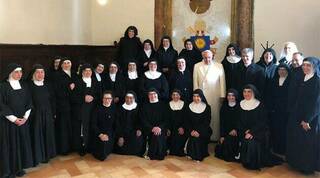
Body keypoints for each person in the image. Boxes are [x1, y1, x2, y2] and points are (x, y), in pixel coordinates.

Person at [286, 57, 320, 174]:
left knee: (308, 144)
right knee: (297, 140)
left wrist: (307, 120)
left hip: (310, 118)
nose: (305, 67)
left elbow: (317, 103)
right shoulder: (301, 78)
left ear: (314, 67)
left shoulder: (317, 81)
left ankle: (306, 167)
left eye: (308, 65)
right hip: (297, 116)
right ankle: (296, 163)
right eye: (304, 65)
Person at [0, 64, 33, 177]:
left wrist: (25, 117)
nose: (19, 74)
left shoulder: (24, 85)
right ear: (10, 73)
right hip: (9, 122)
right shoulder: (2, 86)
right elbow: (2, 105)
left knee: (21, 145)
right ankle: (9, 171)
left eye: (21, 72)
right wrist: (14, 119)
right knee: (10, 145)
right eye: (16, 72)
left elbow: (29, 102)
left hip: (22, 121)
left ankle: (19, 168)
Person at [239, 84, 282, 170]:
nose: (246, 94)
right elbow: (239, 121)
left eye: (249, 92)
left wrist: (251, 132)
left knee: (252, 142)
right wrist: (245, 131)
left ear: (253, 93)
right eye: (244, 91)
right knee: (245, 139)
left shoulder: (259, 105)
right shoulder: (241, 104)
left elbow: (262, 122)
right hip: (244, 130)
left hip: (259, 131)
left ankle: (252, 164)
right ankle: (245, 161)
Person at [193, 50, 226, 141]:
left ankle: (214, 137)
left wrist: (223, 95)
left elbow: (222, 82)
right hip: (201, 96)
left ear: (212, 56)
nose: (207, 59)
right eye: (205, 57)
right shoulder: (197, 66)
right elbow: (195, 81)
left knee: (215, 116)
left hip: (214, 94)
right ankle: (203, 136)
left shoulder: (219, 66)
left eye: (209, 57)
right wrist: (195, 95)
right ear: (202, 57)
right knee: (202, 116)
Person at [28, 64, 56, 165]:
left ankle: (47, 155)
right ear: (33, 74)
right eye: (38, 72)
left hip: (48, 114)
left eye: (42, 72)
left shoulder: (48, 85)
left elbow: (52, 100)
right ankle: (38, 156)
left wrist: (53, 113)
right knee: (37, 135)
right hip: (35, 115)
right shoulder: (29, 86)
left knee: (47, 134)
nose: (40, 74)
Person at [71, 63, 100, 156]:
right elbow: (72, 97)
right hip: (80, 110)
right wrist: (83, 98)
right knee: (81, 129)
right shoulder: (77, 82)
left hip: (93, 109)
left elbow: (99, 95)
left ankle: (90, 146)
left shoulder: (95, 82)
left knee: (91, 127)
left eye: (89, 71)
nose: (88, 72)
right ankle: (81, 147)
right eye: (85, 71)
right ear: (82, 72)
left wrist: (93, 98)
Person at [267, 63, 290, 156]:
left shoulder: (290, 81)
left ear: (287, 70)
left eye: (284, 69)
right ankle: (275, 148)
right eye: (279, 69)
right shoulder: (274, 80)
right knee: (275, 129)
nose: (281, 71)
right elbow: (270, 95)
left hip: (285, 110)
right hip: (275, 110)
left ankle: (283, 149)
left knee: (283, 130)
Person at [54, 58, 76, 155]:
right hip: (63, 105)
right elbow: (58, 92)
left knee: (72, 126)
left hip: (74, 105)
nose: (67, 64)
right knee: (63, 128)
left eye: (69, 62)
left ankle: (72, 147)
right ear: (61, 65)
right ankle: (64, 149)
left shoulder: (75, 74)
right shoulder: (58, 75)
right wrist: (69, 89)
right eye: (65, 63)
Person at [140, 88, 168, 160]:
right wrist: (151, 128)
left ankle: (158, 155)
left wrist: (160, 127)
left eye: (154, 94)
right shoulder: (144, 106)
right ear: (148, 96)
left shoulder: (163, 105)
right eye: (150, 94)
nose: (152, 96)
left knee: (158, 135)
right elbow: (143, 120)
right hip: (148, 129)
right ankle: (153, 155)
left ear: (157, 95)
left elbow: (166, 119)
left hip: (161, 128)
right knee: (155, 135)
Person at [114, 91, 145, 156]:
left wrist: (139, 129)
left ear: (134, 98)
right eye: (127, 97)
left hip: (134, 130)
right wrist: (120, 136)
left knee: (137, 140)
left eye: (131, 98)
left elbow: (141, 120)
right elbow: (117, 123)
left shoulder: (138, 107)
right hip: (122, 131)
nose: (128, 99)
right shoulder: (120, 108)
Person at [185, 89, 212, 161]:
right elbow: (187, 122)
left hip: (203, 130)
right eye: (194, 96)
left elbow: (207, 122)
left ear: (201, 97)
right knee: (193, 138)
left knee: (197, 139)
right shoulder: (188, 106)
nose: (195, 98)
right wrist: (191, 131)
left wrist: (198, 131)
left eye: (198, 96)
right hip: (191, 130)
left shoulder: (207, 107)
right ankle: (192, 154)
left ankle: (197, 155)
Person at [215, 89, 240, 162]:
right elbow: (222, 122)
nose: (231, 97)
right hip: (226, 132)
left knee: (230, 142)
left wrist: (236, 129)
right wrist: (222, 136)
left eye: (233, 95)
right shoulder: (224, 107)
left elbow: (241, 121)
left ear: (235, 96)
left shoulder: (239, 106)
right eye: (229, 95)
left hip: (236, 132)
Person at [91, 91, 116, 161]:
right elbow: (93, 124)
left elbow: (115, 125)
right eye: (105, 98)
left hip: (109, 134)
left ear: (112, 99)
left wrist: (109, 135)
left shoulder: (114, 109)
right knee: (100, 152)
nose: (107, 100)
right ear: (102, 99)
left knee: (105, 147)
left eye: (109, 98)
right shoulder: (97, 109)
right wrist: (100, 135)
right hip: (98, 133)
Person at [167, 89, 188, 156]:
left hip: (182, 127)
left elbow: (186, 118)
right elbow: (166, 118)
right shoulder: (168, 104)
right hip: (171, 127)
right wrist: (168, 128)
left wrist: (183, 127)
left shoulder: (184, 104)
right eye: (173, 95)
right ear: (171, 96)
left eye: (177, 95)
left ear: (180, 96)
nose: (175, 96)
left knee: (179, 136)